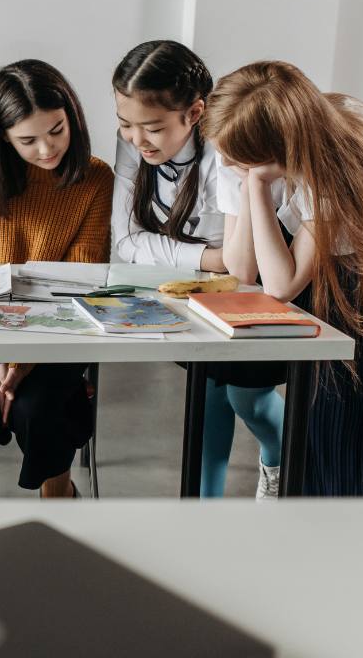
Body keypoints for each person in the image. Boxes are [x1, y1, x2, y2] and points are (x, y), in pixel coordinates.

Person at [205, 60, 363, 496]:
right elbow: (242, 269)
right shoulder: (242, 147)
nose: (224, 161)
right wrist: (250, 182)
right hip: (331, 265)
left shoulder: (337, 161)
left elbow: (282, 285)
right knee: (328, 416)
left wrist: (257, 186)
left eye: (238, 158)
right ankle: (327, 538)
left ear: (279, 150)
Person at [110, 40, 284, 499]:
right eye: (125, 124)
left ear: (194, 113)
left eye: (151, 127)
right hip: (198, 292)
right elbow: (126, 243)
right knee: (207, 402)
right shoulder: (134, 145)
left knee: (249, 400)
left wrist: (205, 257)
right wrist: (209, 257)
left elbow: (243, 266)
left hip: (262, 287)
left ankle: (281, 461)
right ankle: (204, 511)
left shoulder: (226, 153)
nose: (136, 139)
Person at [0, 59, 113, 498]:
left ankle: (59, 494)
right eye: (28, 139)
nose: (46, 149)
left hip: (61, 326)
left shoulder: (94, 179)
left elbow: (79, 279)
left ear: (70, 116)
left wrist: (22, 363)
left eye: (57, 130)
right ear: (2, 137)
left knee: (40, 410)